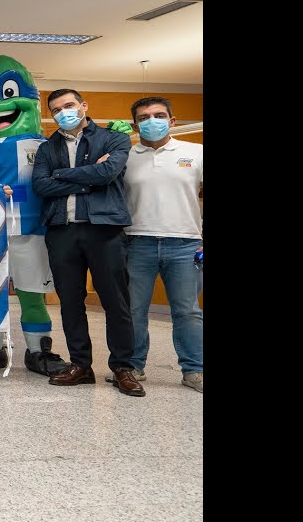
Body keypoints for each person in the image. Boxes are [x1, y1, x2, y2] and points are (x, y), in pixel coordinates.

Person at [0, 43, 72, 377]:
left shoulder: (47, 145)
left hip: (31, 230)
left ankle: (39, 352)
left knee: (32, 293)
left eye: (8, 92)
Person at [32, 89, 141, 396]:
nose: (63, 112)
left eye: (68, 105)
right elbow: (40, 185)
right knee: (70, 302)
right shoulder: (47, 147)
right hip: (62, 230)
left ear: (83, 106)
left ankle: (122, 367)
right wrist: (86, 176)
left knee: (116, 303)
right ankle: (81, 365)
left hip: (104, 229)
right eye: (56, 109)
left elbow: (107, 173)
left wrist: (62, 176)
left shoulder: (113, 139)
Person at [122, 97, 203, 393]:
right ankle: (132, 367)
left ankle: (195, 370)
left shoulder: (195, 153)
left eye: (158, 115)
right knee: (133, 310)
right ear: (134, 124)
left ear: (172, 121)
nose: (151, 121)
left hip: (185, 244)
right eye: (144, 117)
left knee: (187, 311)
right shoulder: (125, 156)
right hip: (136, 242)